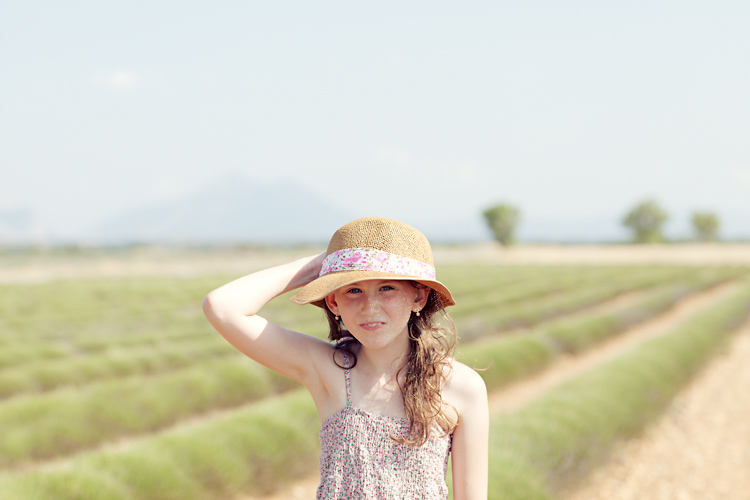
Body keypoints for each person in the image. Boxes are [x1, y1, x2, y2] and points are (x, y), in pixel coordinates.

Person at [203, 217, 489, 499]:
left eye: (386, 288)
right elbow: (222, 307)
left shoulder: (462, 387)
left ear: (419, 297)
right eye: (353, 290)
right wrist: (318, 266)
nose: (369, 307)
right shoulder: (328, 368)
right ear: (333, 302)